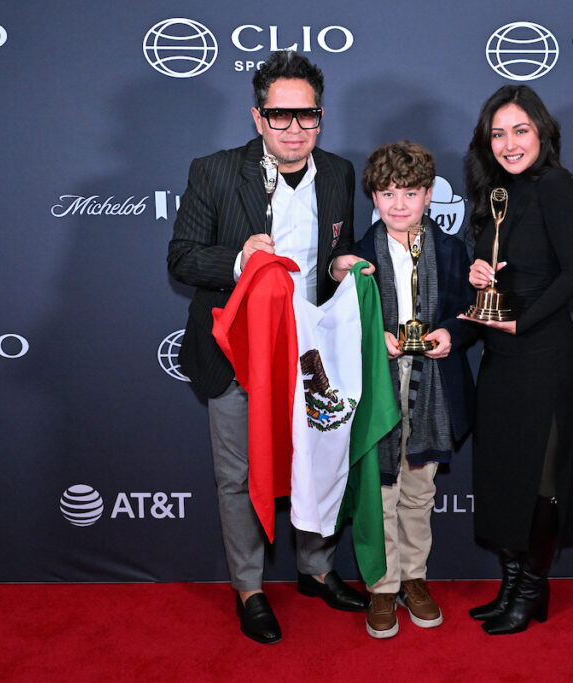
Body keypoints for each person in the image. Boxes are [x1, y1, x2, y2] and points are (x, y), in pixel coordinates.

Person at [167, 50, 371, 645]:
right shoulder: (213, 171)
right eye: (280, 116)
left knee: (317, 459)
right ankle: (249, 589)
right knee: (237, 473)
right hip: (238, 351)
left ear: (321, 116)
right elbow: (181, 258)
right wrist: (239, 259)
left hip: (310, 352)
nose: (294, 129)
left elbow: (333, 253)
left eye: (307, 116)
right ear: (258, 117)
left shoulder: (338, 173)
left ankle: (317, 570)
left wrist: (341, 264)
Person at [461, 85, 573, 635]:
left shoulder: (556, 185)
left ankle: (533, 588)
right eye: (498, 134)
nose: (509, 143)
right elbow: (502, 267)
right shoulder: (496, 194)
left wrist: (524, 319)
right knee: (504, 474)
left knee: (541, 476)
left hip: (542, 352)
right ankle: (513, 583)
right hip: (501, 355)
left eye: (520, 130)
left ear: (542, 133)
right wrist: (478, 275)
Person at [352, 141, 476, 639]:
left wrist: (451, 333)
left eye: (409, 193)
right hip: (377, 384)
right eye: (388, 193)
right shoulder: (358, 255)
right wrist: (373, 336)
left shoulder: (451, 250)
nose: (399, 204)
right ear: (374, 198)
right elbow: (338, 322)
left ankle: (414, 579)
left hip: (434, 386)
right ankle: (382, 586)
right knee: (381, 490)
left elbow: (468, 312)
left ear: (428, 195)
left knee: (420, 490)